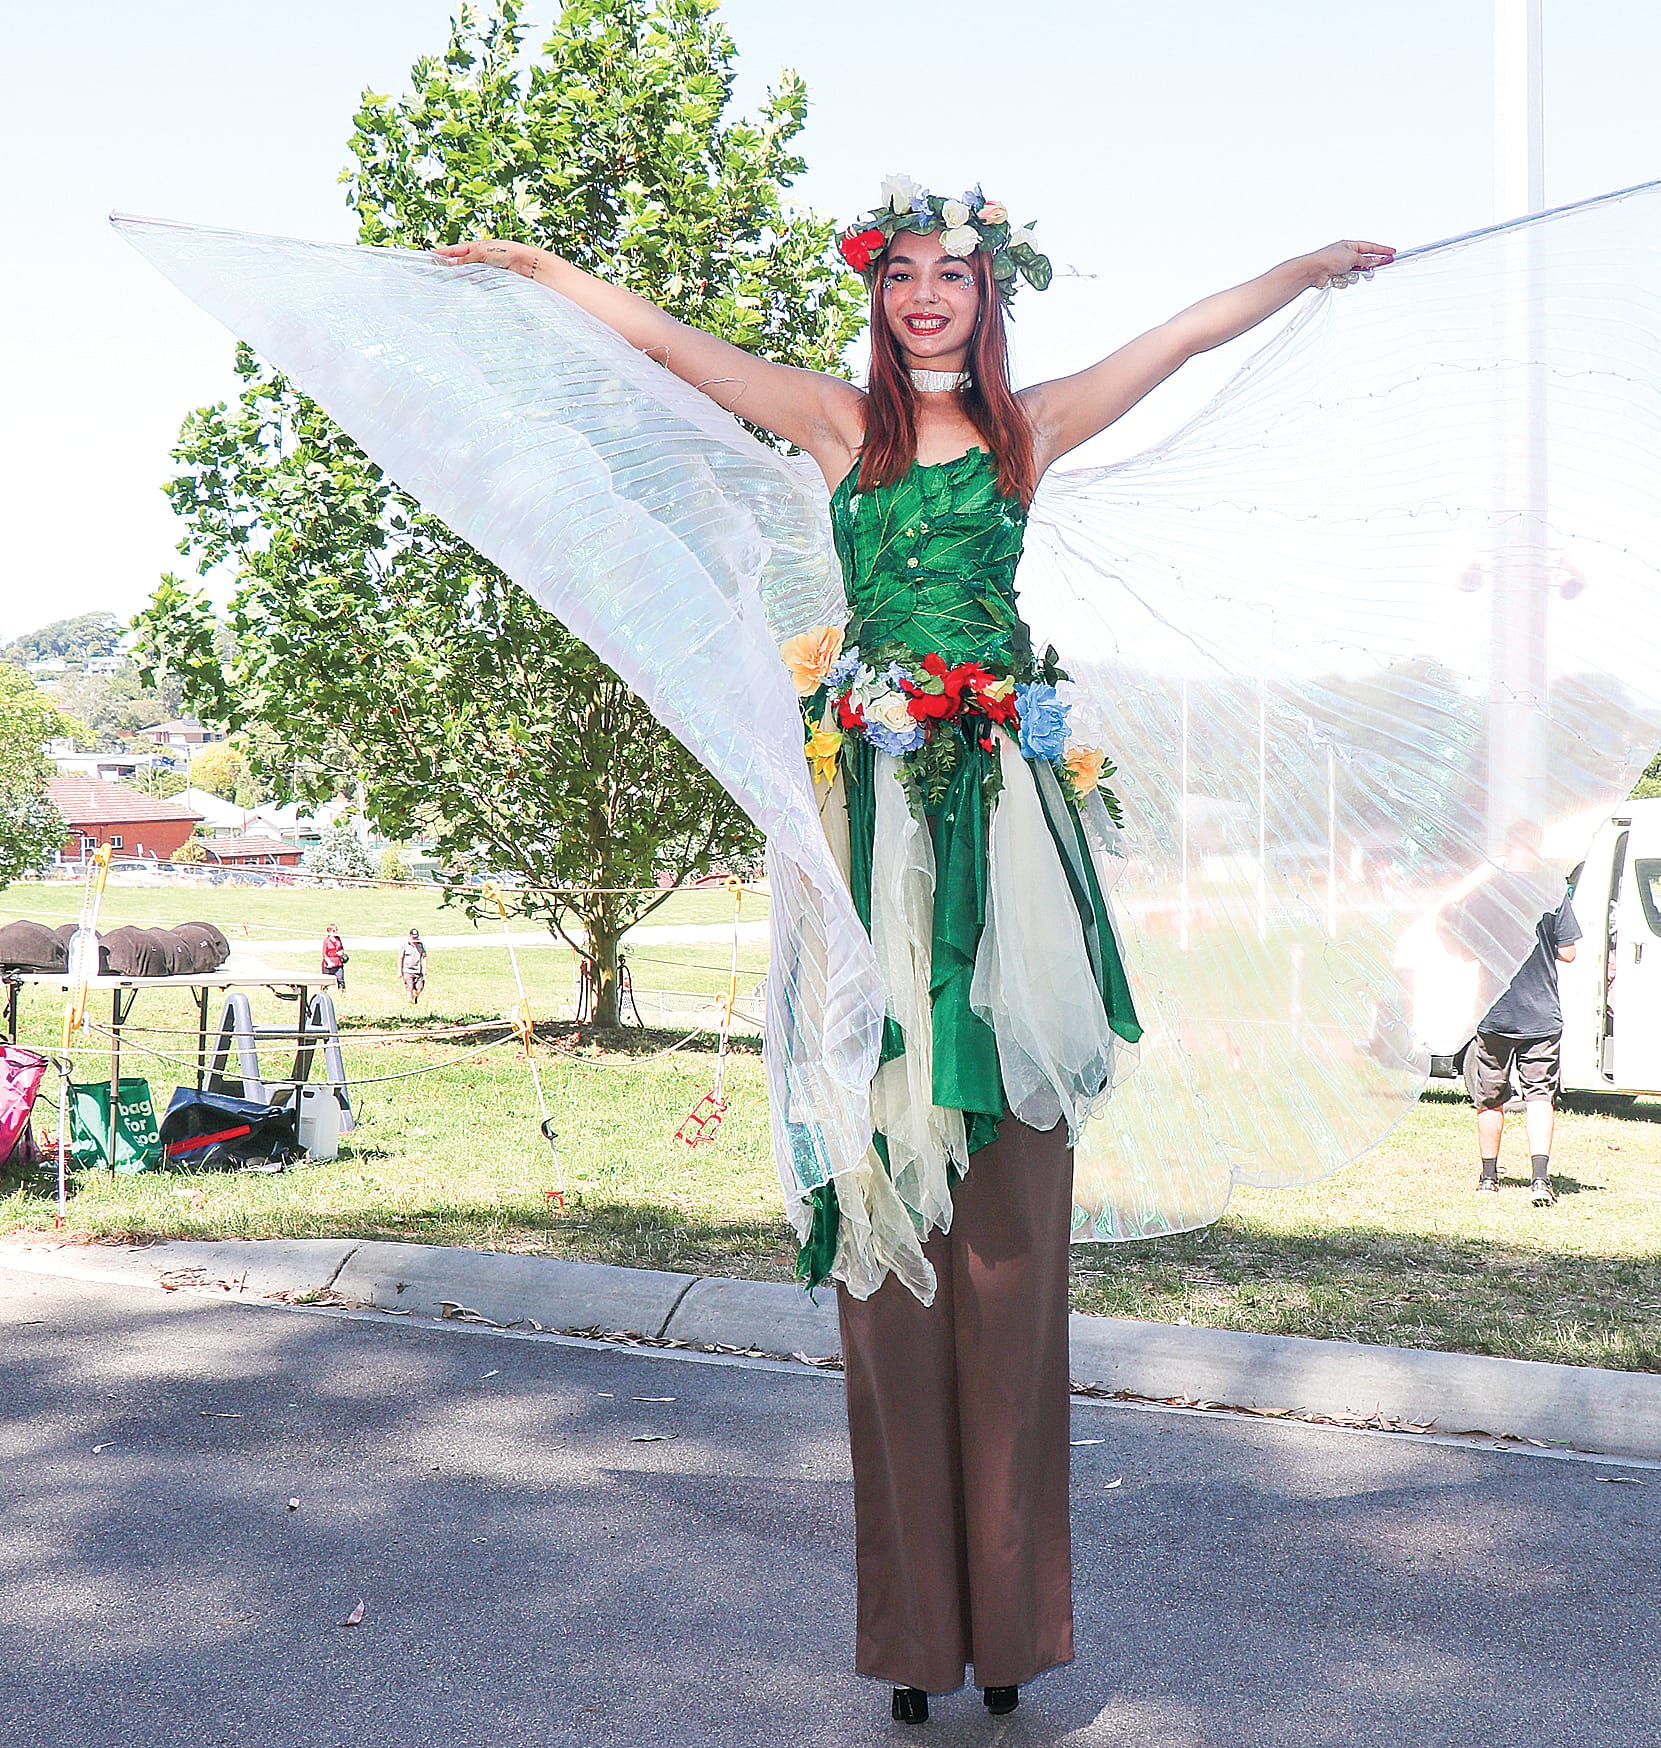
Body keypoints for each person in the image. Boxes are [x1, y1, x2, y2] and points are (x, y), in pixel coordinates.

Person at [439, 186, 1391, 1722]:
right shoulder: (838, 426)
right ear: (876, 294)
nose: (927, 293)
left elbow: (1182, 339)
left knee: (1010, 1214)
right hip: (874, 823)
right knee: (880, 1187)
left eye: (954, 272)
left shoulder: (1028, 428)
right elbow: (672, 350)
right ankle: (911, 1637)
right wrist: (541, 267)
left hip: (1005, 828)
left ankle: (1008, 1631)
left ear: (987, 292)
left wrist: (1303, 266)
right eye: (902, 272)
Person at [1449, 832, 1581, 1205]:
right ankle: (1540, 1180)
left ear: (1506, 850)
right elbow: (1569, 952)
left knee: (1490, 1098)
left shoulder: (1486, 895)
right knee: (1540, 1096)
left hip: (1495, 1011)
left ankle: (1489, 1178)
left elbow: (1464, 951)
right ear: (1537, 849)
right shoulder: (1551, 893)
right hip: (1541, 1012)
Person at [397, 928, 428, 1006]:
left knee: (420, 988)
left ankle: (414, 997)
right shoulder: (404, 945)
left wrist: (425, 968)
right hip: (407, 971)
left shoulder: (421, 945)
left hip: (418, 971)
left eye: (416, 937)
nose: (414, 939)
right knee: (409, 988)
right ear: (410, 936)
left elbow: (424, 957)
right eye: (413, 937)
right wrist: (400, 971)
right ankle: (410, 1003)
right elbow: (400, 958)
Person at [319, 924, 347, 990]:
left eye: (336, 930)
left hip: (338, 963)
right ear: (329, 931)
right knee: (325, 982)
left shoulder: (338, 939)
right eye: (334, 931)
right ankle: (323, 993)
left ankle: (342, 992)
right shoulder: (326, 941)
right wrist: (329, 962)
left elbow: (341, 948)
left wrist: (341, 953)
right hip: (329, 964)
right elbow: (324, 953)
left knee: (341, 980)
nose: (336, 932)